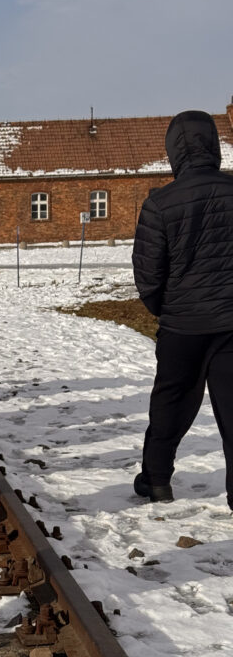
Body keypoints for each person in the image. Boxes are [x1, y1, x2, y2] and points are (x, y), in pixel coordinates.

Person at [133, 110, 233, 506]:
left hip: (182, 327)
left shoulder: (159, 203)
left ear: (173, 151)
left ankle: (157, 481)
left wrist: (166, 309)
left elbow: (148, 274)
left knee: (170, 403)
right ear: (214, 145)